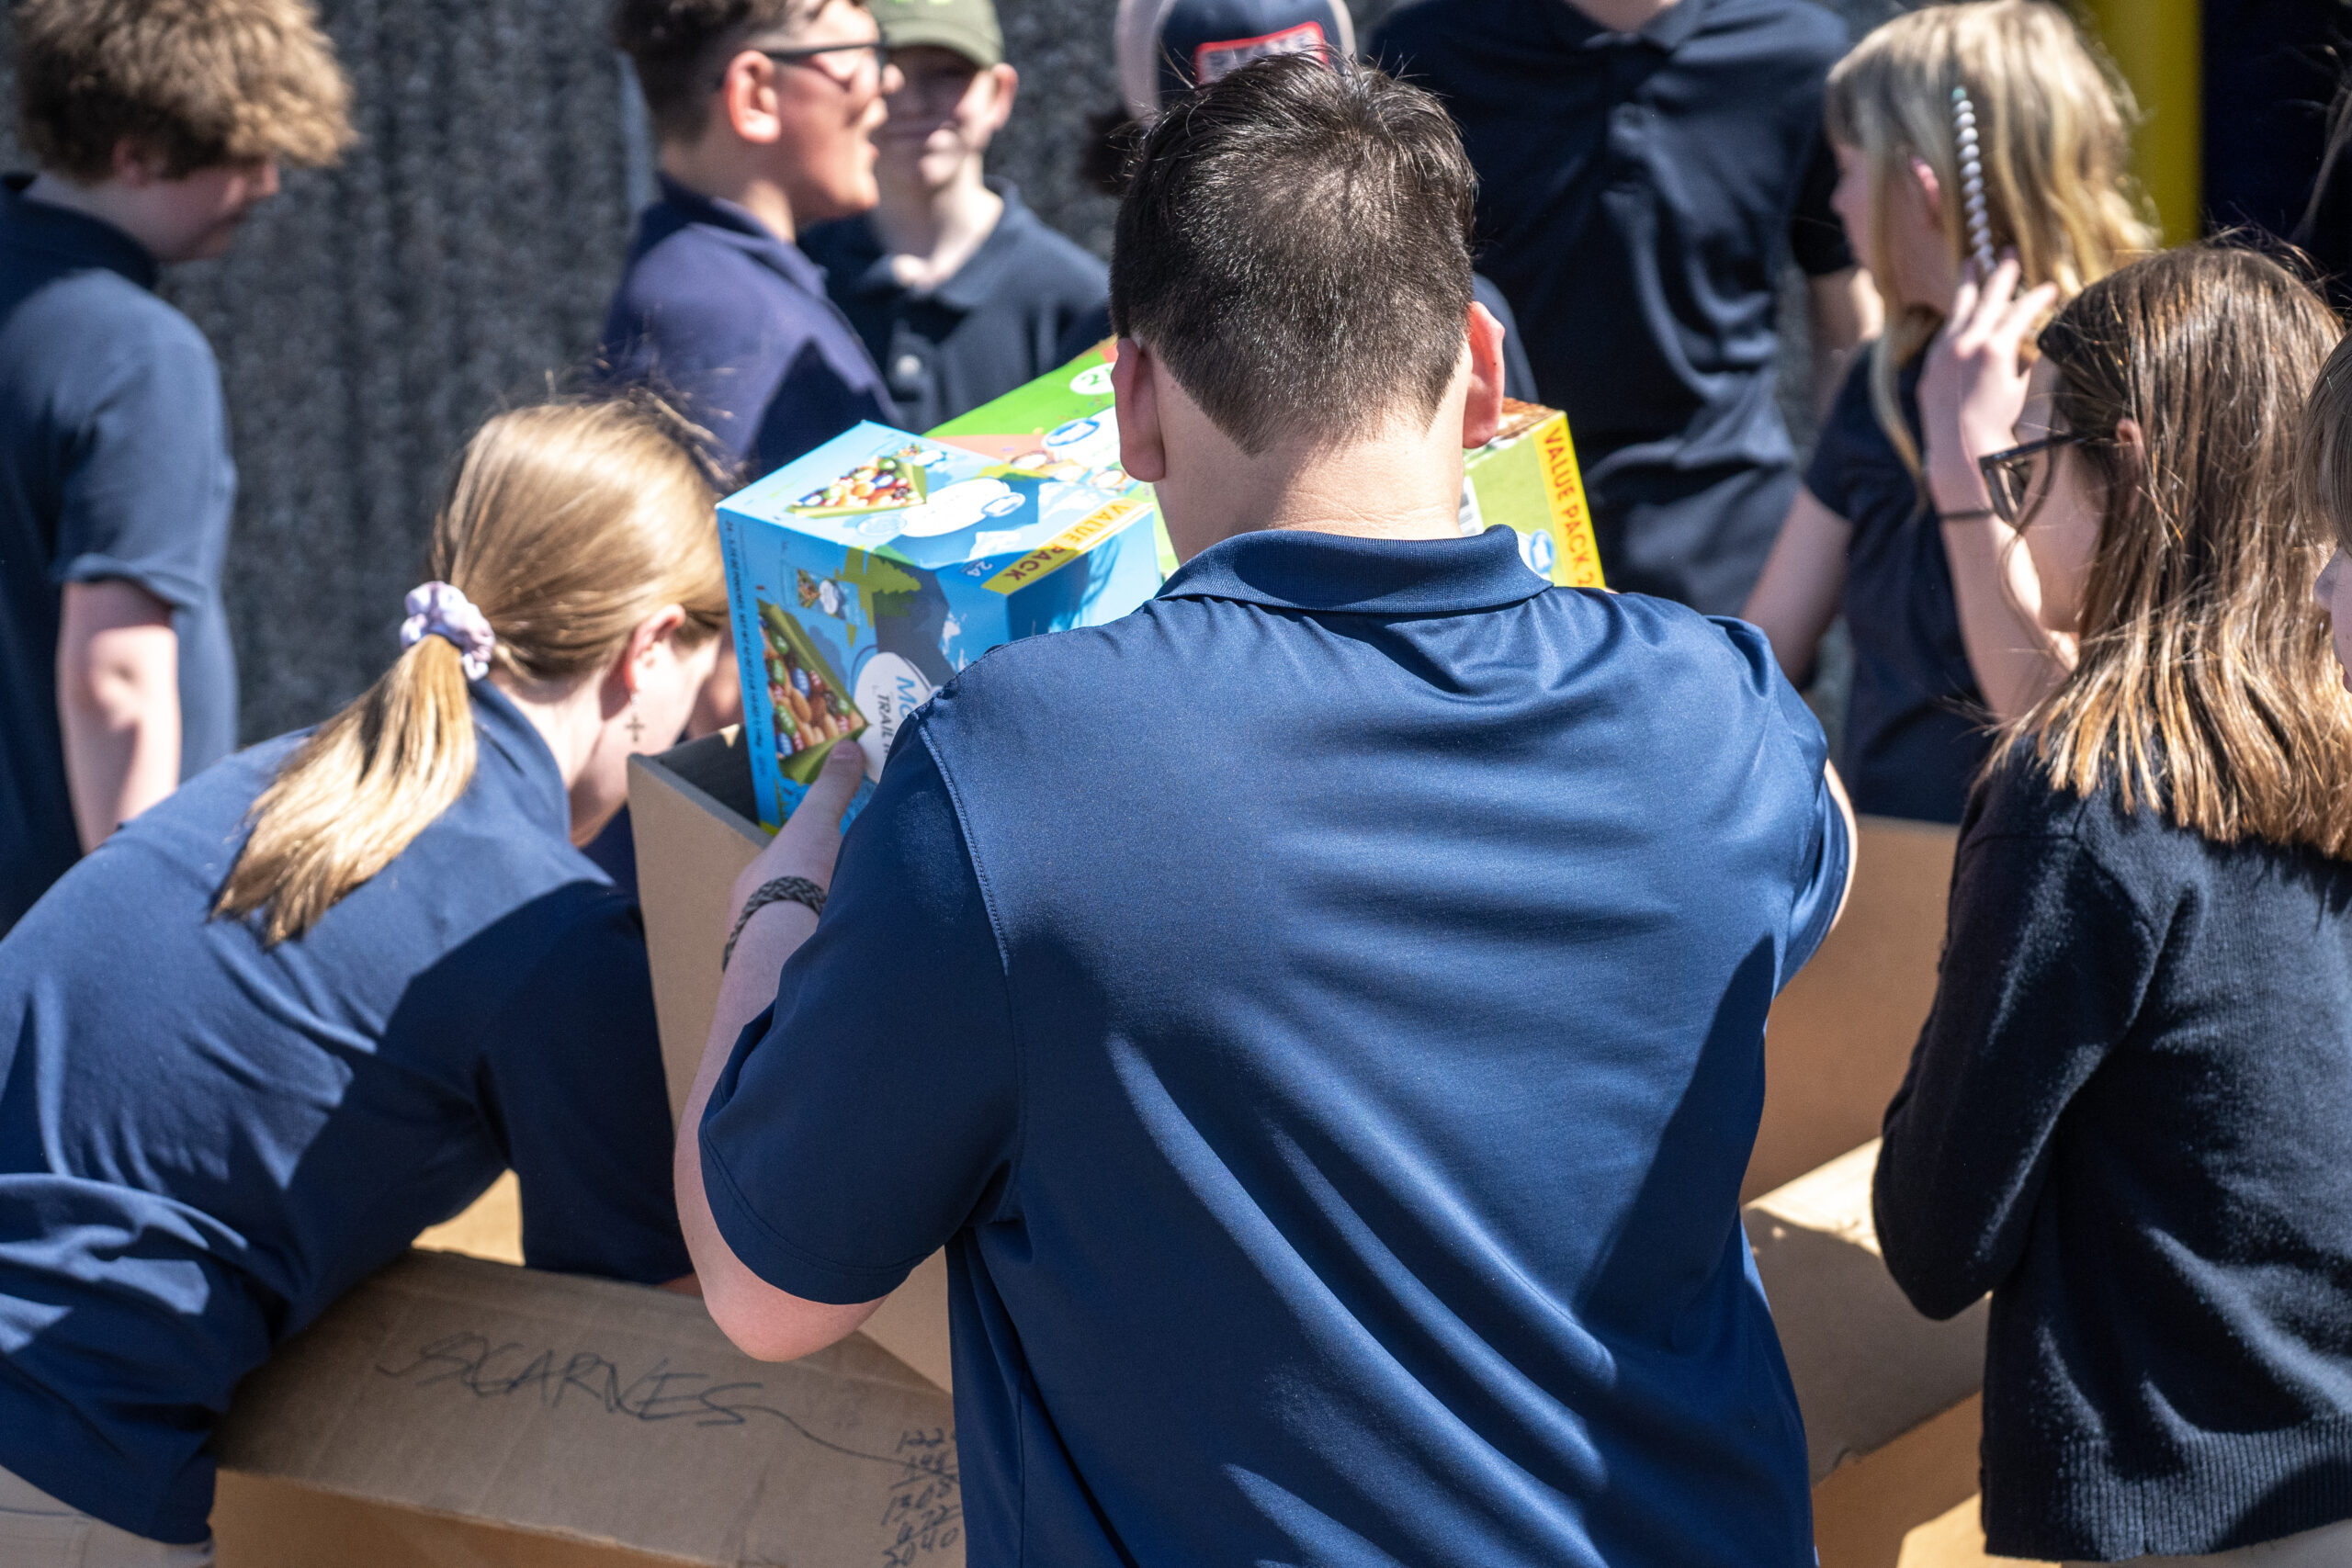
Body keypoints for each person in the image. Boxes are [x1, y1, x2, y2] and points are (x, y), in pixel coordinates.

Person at [680, 57, 1853, 1567]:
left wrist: (775, 911)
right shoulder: (1717, 711)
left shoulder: (1012, 772)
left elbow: (768, 1294)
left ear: (1135, 406)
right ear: (1485, 378)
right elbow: (1812, 831)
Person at [0, 394, 722, 1564]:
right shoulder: (552, 935)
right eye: (702, 681)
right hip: (59, 1453)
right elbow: (656, 1329)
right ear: (646, 652)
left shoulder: (267, 785)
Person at [1874, 246, 2352, 1564]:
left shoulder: (2081, 795)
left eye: (2024, 469)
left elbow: (1933, 1234)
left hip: (2179, 1510)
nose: (2015, 517)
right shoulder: (2326, 751)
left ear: (2128, 466)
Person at [1740, 0, 2152, 823]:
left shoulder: (2111, 382)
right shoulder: (1885, 380)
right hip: (1892, 866)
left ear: (1921, 188)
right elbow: (1768, 641)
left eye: (1850, 168)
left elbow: (2055, 721)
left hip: (2036, 871)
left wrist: (1968, 458)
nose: (1841, 201)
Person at [0, 0, 351, 935]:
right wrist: (135, 934)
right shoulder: (136, 355)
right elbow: (115, 675)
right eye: (240, 154)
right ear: (136, 153)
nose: (269, 183)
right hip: (55, 924)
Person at [1371, 0, 1879, 615]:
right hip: (1496, 531)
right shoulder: (1427, 50)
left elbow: (1849, 320)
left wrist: (1839, 539)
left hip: (1728, 552)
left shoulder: (1801, 55)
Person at [1088, 0, 1540, 401]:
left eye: (1315, 137)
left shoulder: (1465, 313)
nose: (1273, 179)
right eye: (1217, 154)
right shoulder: (1097, 355)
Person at [602, 0, 902, 479]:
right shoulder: (724, 326)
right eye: (863, 55)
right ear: (755, 94)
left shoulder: (708, 284)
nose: (890, 81)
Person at [800, 0, 1110, 429]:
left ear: (999, 94)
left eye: (947, 74)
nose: (912, 104)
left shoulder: (1077, 301)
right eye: (884, 72)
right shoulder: (799, 280)